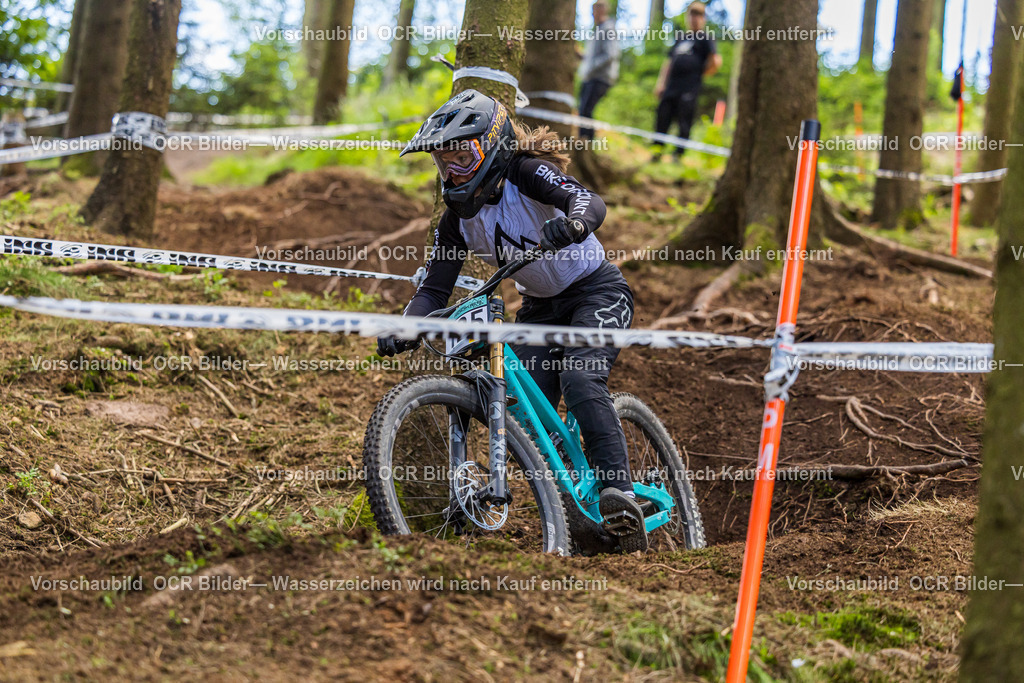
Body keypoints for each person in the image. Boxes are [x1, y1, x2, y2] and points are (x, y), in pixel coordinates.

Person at [376, 89, 648, 552]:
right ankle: (574, 510)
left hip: (597, 291)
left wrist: (575, 224)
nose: (453, 171)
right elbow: (434, 289)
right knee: (526, 410)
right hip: (539, 309)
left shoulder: (525, 172)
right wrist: (408, 326)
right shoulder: (453, 222)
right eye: (445, 163)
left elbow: (587, 201)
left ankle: (618, 492)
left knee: (581, 379)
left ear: (492, 147)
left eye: (463, 158)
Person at [653, 1, 721, 158]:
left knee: (684, 122)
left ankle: (678, 155)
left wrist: (700, 73)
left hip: (689, 88)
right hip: (671, 87)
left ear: (703, 18)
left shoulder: (705, 38)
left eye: (699, 15)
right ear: (687, 17)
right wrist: (661, 83)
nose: (695, 18)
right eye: (692, 14)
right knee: (663, 117)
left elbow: (715, 61)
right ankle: (657, 151)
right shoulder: (681, 38)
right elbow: (669, 62)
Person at [577, 1, 620, 141]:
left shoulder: (608, 29)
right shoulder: (597, 29)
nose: (592, 15)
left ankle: (586, 140)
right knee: (583, 109)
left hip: (600, 78)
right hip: (591, 77)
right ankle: (584, 139)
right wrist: (581, 56)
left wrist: (591, 67)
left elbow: (610, 55)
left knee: (586, 109)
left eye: (593, 11)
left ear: (601, 11)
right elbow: (593, 56)